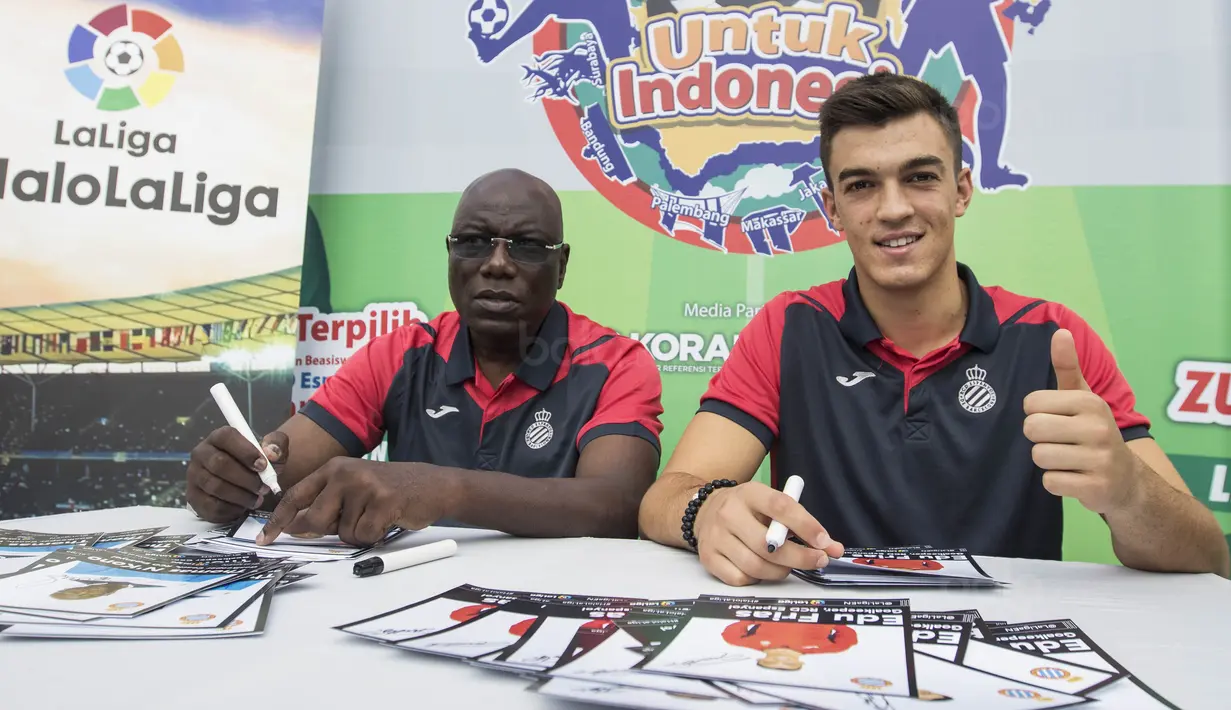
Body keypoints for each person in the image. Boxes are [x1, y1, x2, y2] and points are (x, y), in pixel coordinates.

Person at [637, 73, 1230, 585]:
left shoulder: (1050, 335)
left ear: (961, 190)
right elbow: (665, 499)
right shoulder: (790, 325)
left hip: (1008, 659)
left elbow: (1207, 555)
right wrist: (706, 510)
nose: (893, 209)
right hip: (823, 643)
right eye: (862, 184)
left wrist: (1128, 492)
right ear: (833, 209)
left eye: (920, 177)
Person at [185, 168, 664, 544]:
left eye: (528, 247)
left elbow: (617, 507)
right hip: (401, 601)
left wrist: (443, 489)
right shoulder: (399, 354)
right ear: (450, 255)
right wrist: (229, 484)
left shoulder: (615, 364)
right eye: (474, 242)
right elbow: (278, 476)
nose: (497, 263)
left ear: (560, 267)